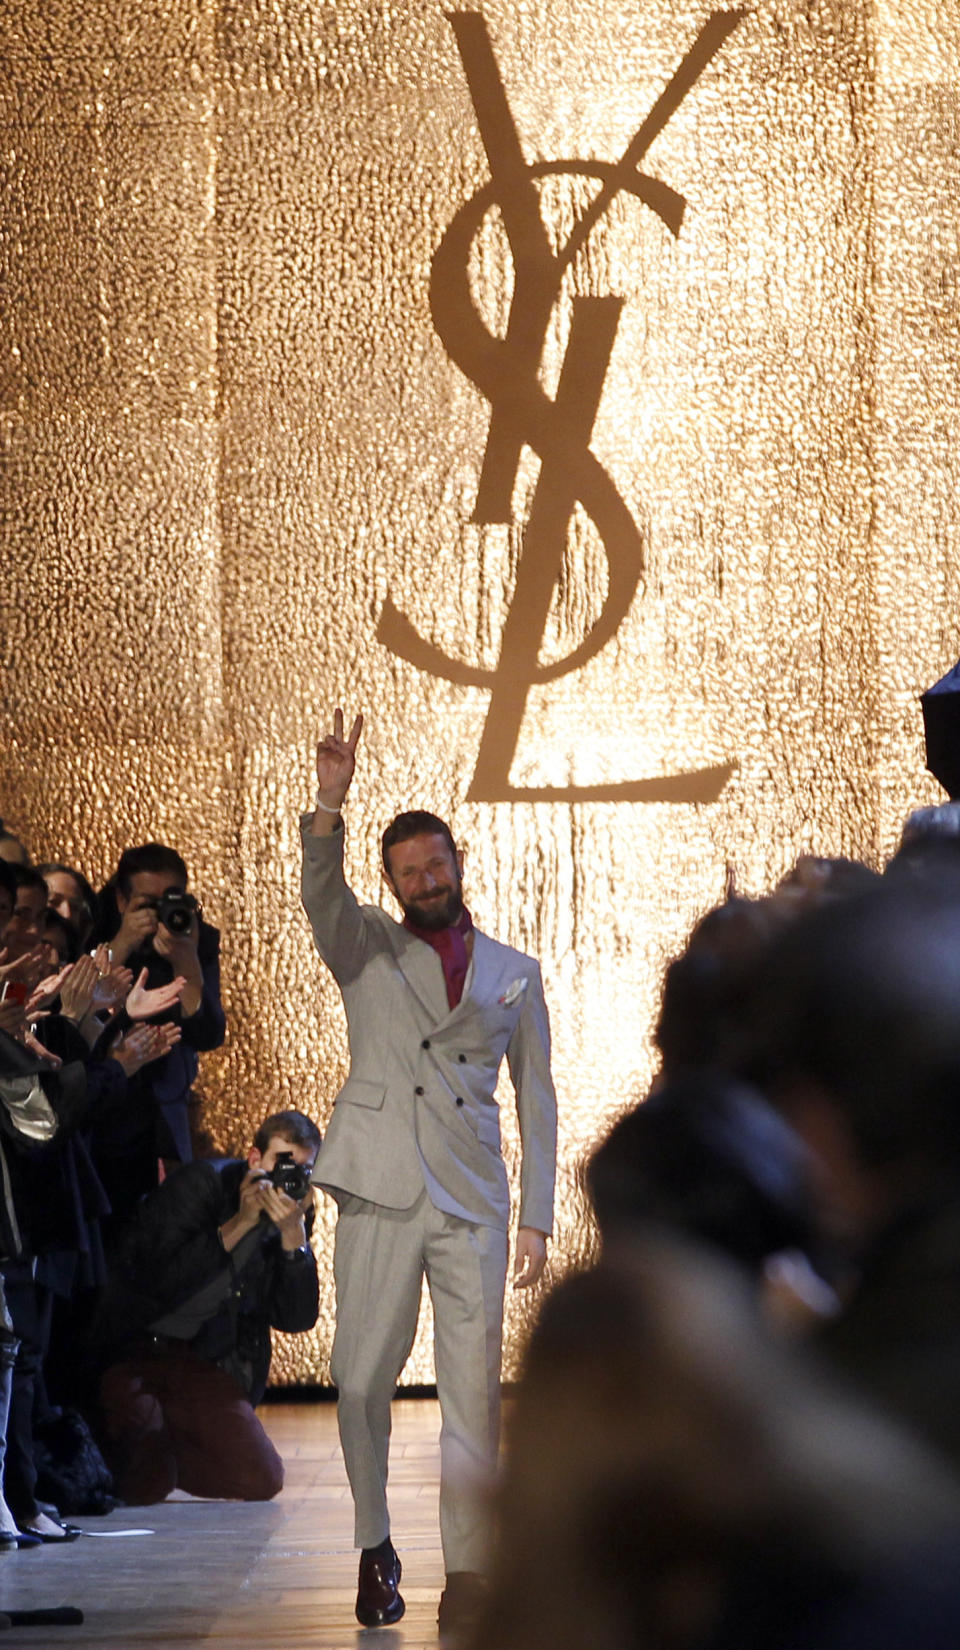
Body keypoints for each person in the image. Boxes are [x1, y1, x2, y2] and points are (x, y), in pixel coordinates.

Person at [300, 709, 557, 1637]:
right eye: (407, 870)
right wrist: (329, 802)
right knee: (362, 1380)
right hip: (379, 1186)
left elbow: (536, 1098)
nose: (425, 878)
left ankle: (473, 1572)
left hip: (474, 1201)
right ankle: (375, 1544)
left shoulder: (514, 971)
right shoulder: (366, 944)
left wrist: (536, 1215)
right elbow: (321, 898)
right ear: (392, 883)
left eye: (435, 863)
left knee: (473, 1398)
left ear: (457, 862)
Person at [93, 1110, 320, 1504]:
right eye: (282, 1163)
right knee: (143, 1484)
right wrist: (241, 1223)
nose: (289, 1179)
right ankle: (148, 1441)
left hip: (197, 1357)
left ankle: (168, 1443)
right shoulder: (203, 1184)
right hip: (131, 1342)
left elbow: (296, 1318)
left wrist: (294, 1245)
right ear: (254, 1159)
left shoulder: (294, 1215)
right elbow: (157, 1279)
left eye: (302, 1169)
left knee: (261, 1478)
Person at [90, 842, 226, 1224]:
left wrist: (187, 962)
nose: (160, 913)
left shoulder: (196, 937)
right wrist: (122, 945)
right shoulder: (95, 932)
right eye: (147, 903)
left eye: (170, 900)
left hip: (166, 1123)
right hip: (105, 1122)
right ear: (121, 900)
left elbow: (209, 1034)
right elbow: (77, 1019)